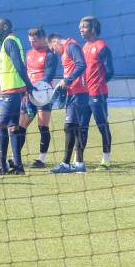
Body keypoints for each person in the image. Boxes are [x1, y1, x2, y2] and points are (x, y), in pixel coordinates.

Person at [0, 18, 33, 176]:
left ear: (6, 27)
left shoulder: (9, 42)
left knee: (1, 123)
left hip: (13, 91)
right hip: (13, 90)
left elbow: (19, 65)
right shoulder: (9, 41)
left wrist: (29, 85)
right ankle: (18, 166)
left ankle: (2, 164)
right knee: (13, 127)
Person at [48, 33, 89, 174]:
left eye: (53, 49)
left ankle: (66, 164)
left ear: (55, 42)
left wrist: (68, 80)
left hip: (78, 93)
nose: (54, 52)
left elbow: (82, 65)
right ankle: (79, 163)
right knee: (76, 128)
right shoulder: (67, 49)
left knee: (69, 127)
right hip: (74, 93)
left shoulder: (71, 46)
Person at [19, 27, 57, 169]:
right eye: (30, 41)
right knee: (20, 126)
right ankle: (16, 157)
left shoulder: (50, 55)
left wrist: (36, 88)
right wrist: (25, 91)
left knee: (42, 126)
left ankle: (41, 159)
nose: (32, 43)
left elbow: (49, 75)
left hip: (43, 96)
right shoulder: (28, 54)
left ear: (43, 39)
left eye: (34, 41)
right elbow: (25, 73)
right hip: (28, 95)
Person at [80, 16, 114, 170]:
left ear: (93, 29)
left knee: (102, 126)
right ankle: (78, 161)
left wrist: (98, 85)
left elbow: (110, 71)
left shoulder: (102, 47)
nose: (81, 29)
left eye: (84, 27)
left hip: (97, 94)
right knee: (81, 126)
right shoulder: (84, 46)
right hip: (83, 94)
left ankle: (106, 160)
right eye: (80, 26)